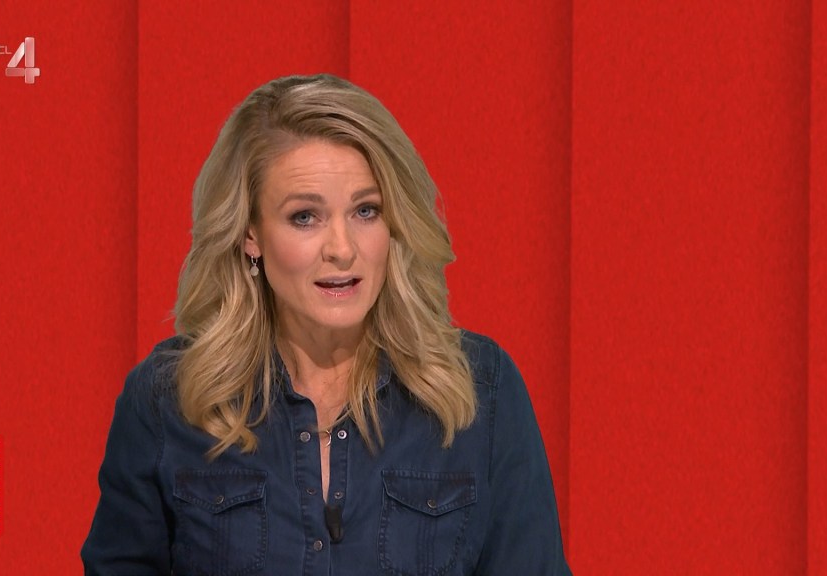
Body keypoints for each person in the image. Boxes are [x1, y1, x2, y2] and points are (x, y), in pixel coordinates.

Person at [81, 73, 571, 575]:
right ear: (251, 234)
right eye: (304, 217)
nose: (342, 248)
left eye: (366, 211)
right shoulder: (168, 400)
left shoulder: (480, 391)